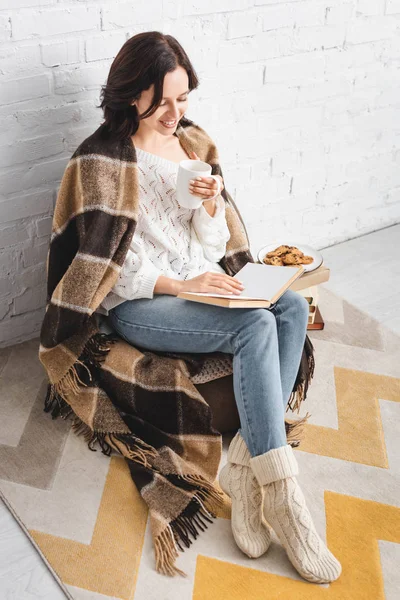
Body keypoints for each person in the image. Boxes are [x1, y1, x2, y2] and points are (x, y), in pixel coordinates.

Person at [98, 31, 342, 584]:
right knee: (256, 324)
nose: (174, 112)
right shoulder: (105, 162)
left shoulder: (190, 145)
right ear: (131, 93)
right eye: (162, 101)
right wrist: (184, 287)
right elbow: (113, 270)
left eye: (183, 99)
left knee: (292, 310)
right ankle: (287, 503)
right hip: (143, 303)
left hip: (196, 284)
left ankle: (246, 474)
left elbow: (208, 247)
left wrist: (210, 208)